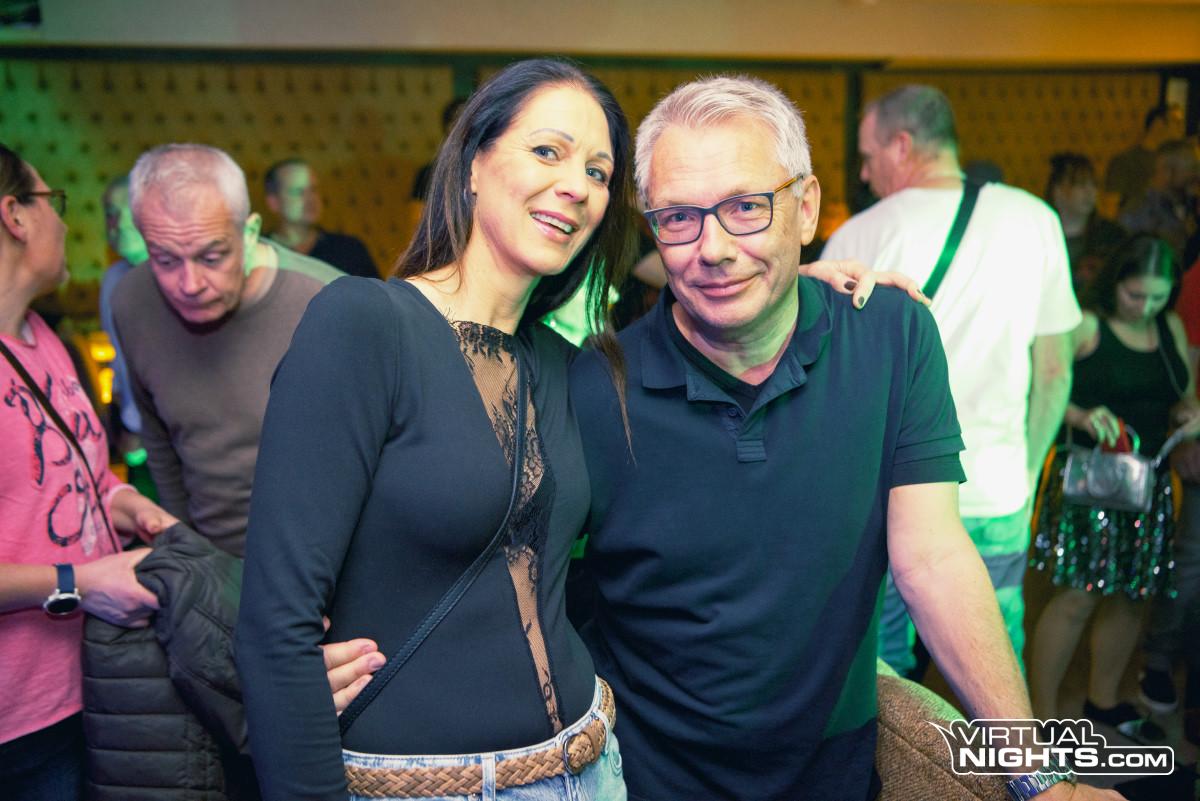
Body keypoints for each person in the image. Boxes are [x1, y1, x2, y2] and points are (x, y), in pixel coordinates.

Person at [237, 58, 637, 801]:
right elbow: (273, 621)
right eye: (547, 151)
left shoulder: (565, 365)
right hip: (424, 785)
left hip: (590, 765)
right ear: (474, 163)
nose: (577, 186)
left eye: (598, 171)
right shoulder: (365, 326)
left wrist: (789, 291)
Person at [822, 84, 1081, 678]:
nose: (863, 173)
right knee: (994, 663)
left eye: (868, 156)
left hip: (888, 497)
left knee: (885, 672)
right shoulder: (1035, 219)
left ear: (902, 145)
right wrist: (1024, 475)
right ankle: (1002, 747)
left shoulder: (859, 236)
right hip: (996, 488)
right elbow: (1055, 369)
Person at [0, 143, 176, 800]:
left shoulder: (45, 338)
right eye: (54, 202)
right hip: (15, 721)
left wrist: (130, 504)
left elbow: (82, 474)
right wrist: (80, 581)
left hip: (87, 685)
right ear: (15, 215)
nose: (65, 221)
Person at [112, 144, 343, 557]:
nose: (190, 284)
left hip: (322, 567)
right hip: (210, 563)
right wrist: (189, 553)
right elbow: (160, 439)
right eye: (165, 260)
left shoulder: (329, 301)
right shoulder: (131, 302)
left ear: (250, 232)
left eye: (212, 257)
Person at [1030, 234, 1200, 726]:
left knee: (1132, 593)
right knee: (1077, 596)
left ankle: (1102, 700)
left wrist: (1188, 413)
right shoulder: (1087, 325)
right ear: (1115, 282)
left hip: (1148, 480)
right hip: (1091, 480)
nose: (1145, 307)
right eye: (1135, 294)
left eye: (1157, 296)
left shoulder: (1167, 326)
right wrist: (1081, 416)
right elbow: (1039, 388)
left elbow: (1182, 393)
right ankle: (1039, 714)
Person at [264, 157, 379, 278]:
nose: (311, 199)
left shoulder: (349, 249)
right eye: (298, 191)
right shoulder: (261, 253)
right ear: (274, 202)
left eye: (313, 190)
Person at [97, 173, 149, 440]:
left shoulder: (184, 277)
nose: (119, 223)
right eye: (111, 214)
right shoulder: (112, 279)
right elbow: (117, 355)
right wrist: (126, 419)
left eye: (129, 211)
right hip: (136, 428)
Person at [1045, 153, 1127, 294]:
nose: (1090, 192)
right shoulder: (1039, 234)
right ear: (1058, 191)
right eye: (1080, 185)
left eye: (1094, 185)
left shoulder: (1112, 235)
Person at [1119, 139, 1199, 257]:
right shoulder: (1139, 212)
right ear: (1168, 172)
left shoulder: (1190, 204)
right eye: (1191, 167)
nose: (1196, 174)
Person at [1104, 103, 1186, 216]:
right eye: (1177, 122)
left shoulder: (1175, 162)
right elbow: (1110, 208)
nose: (1181, 129)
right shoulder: (1125, 161)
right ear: (1159, 124)